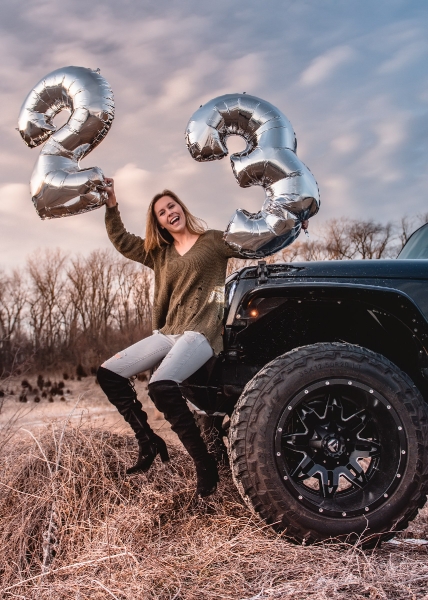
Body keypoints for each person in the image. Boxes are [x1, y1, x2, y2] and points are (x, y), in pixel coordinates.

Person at [96, 179, 244, 497]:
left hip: (202, 332)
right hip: (170, 332)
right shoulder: (160, 254)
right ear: (159, 222)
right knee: (108, 373)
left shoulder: (214, 240)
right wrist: (111, 205)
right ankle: (148, 440)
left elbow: (255, 243)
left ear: (181, 208)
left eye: (171, 206)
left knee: (161, 386)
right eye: (161, 213)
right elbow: (122, 240)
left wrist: (289, 223)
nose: (168, 213)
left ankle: (204, 466)